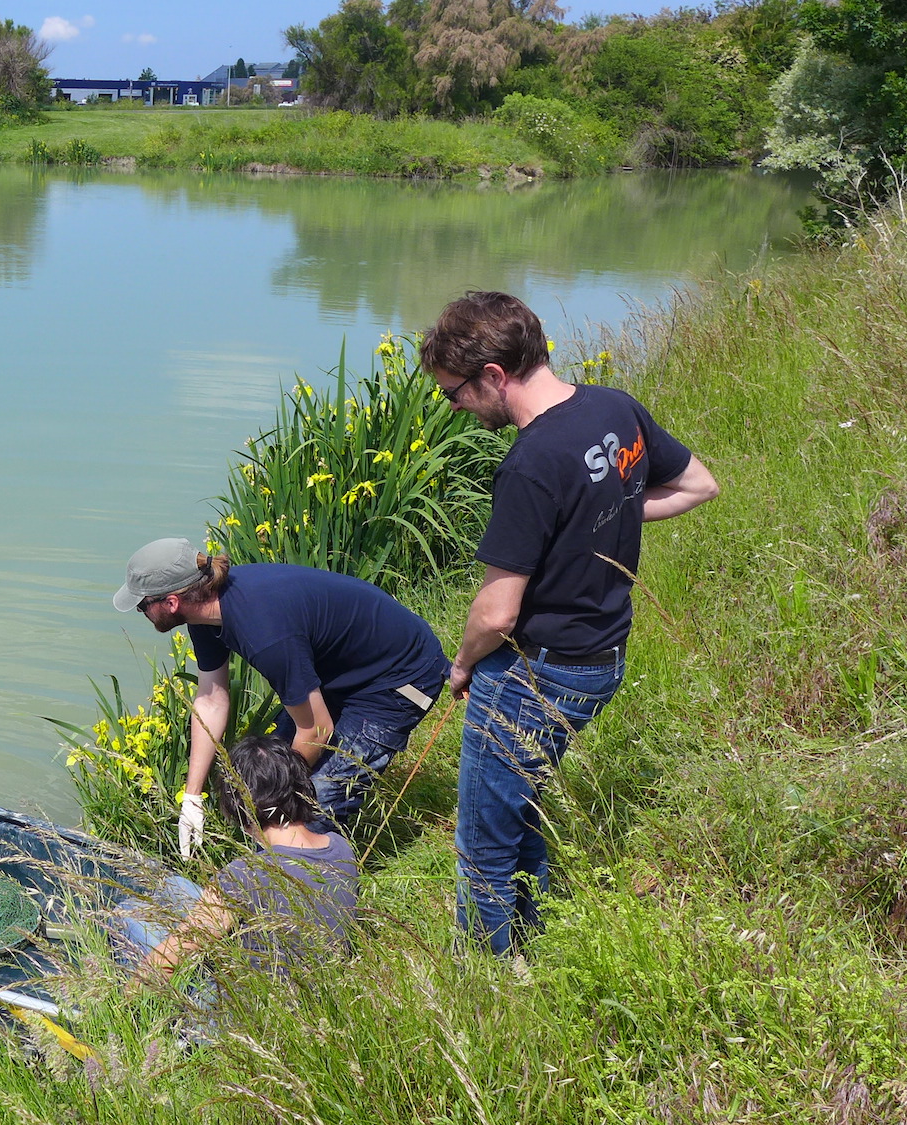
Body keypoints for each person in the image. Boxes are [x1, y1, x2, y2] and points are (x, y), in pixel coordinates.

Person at [419, 291, 719, 956]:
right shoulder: (614, 407)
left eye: (455, 394)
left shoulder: (529, 464)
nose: (457, 409)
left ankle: (491, 978)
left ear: (494, 375)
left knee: (483, 838)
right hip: (603, 659)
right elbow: (698, 483)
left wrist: (463, 663)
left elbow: (496, 611)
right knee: (519, 802)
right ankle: (536, 936)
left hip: (537, 671)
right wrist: (592, 516)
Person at [114, 539, 450, 857]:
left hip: (398, 678)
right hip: (338, 672)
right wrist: (192, 796)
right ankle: (271, 869)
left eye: (143, 605)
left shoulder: (265, 633)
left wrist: (278, 795)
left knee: (307, 809)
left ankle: (311, 888)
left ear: (172, 602)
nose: (142, 612)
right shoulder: (206, 612)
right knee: (267, 785)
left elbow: (317, 731)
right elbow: (211, 700)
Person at [120, 733, 359, 977]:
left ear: (237, 804)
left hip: (250, 1003)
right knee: (172, 885)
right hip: (321, 990)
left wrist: (124, 1002)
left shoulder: (246, 875)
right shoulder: (340, 847)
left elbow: (169, 960)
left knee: (127, 913)